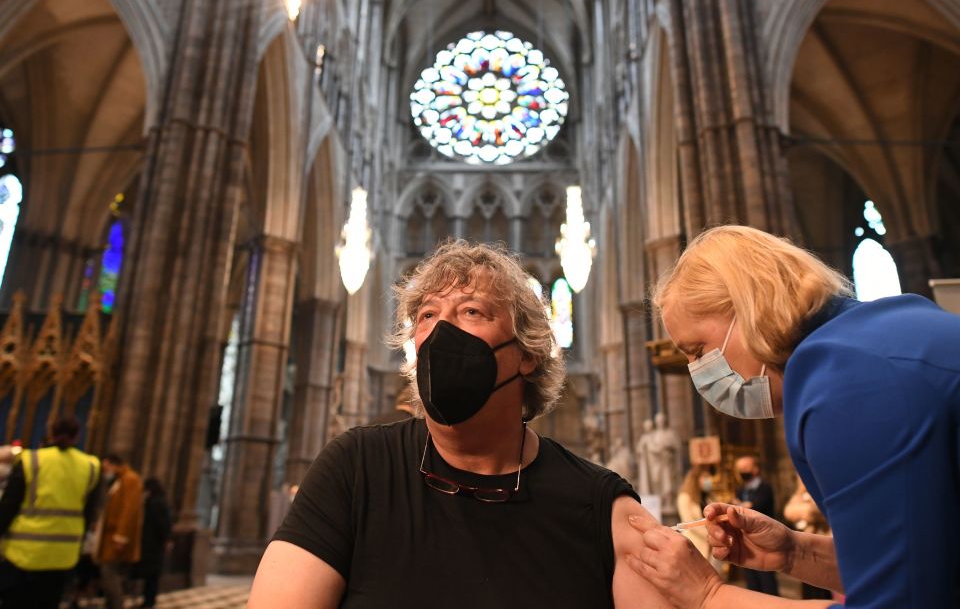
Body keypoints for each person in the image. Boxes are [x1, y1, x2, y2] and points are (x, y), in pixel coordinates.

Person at [249, 240, 670, 608]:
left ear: (528, 353)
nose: (441, 331)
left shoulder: (600, 507)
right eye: (428, 315)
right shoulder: (356, 470)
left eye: (471, 311)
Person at [625, 224, 960, 607]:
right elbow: (934, 561)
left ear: (748, 306)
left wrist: (708, 596)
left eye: (698, 350)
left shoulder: (846, 382)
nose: (699, 374)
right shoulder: (875, 334)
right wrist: (795, 553)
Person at [0, 417, 100, 609]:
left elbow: (8, 507)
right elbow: (88, 513)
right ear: (77, 436)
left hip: (23, 553)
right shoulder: (90, 466)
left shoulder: (32, 460)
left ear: (50, 433)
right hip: (63, 555)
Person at [96, 453, 144, 609]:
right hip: (109, 536)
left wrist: (121, 536)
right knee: (108, 574)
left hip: (115, 538)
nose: (105, 471)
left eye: (106, 467)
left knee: (110, 575)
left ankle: (116, 605)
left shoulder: (130, 479)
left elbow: (129, 510)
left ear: (112, 464)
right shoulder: (120, 480)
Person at [732, 454, 779, 596]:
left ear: (755, 469)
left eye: (746, 468)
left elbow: (757, 507)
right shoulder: (740, 490)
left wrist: (741, 505)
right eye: (740, 469)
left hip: (764, 540)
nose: (742, 471)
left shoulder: (765, 487)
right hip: (746, 540)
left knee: (767, 580)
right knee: (752, 582)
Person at [782, 475, 834, 601]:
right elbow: (788, 511)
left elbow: (816, 512)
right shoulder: (800, 495)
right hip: (805, 545)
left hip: (823, 546)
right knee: (808, 586)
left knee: (823, 588)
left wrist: (803, 511)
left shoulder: (821, 491)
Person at [136, 478, 172, 608]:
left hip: (152, 544)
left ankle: (148, 600)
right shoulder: (161, 501)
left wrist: (166, 538)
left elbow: (162, 524)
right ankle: (149, 599)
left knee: (151, 574)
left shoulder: (153, 503)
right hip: (156, 544)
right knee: (152, 575)